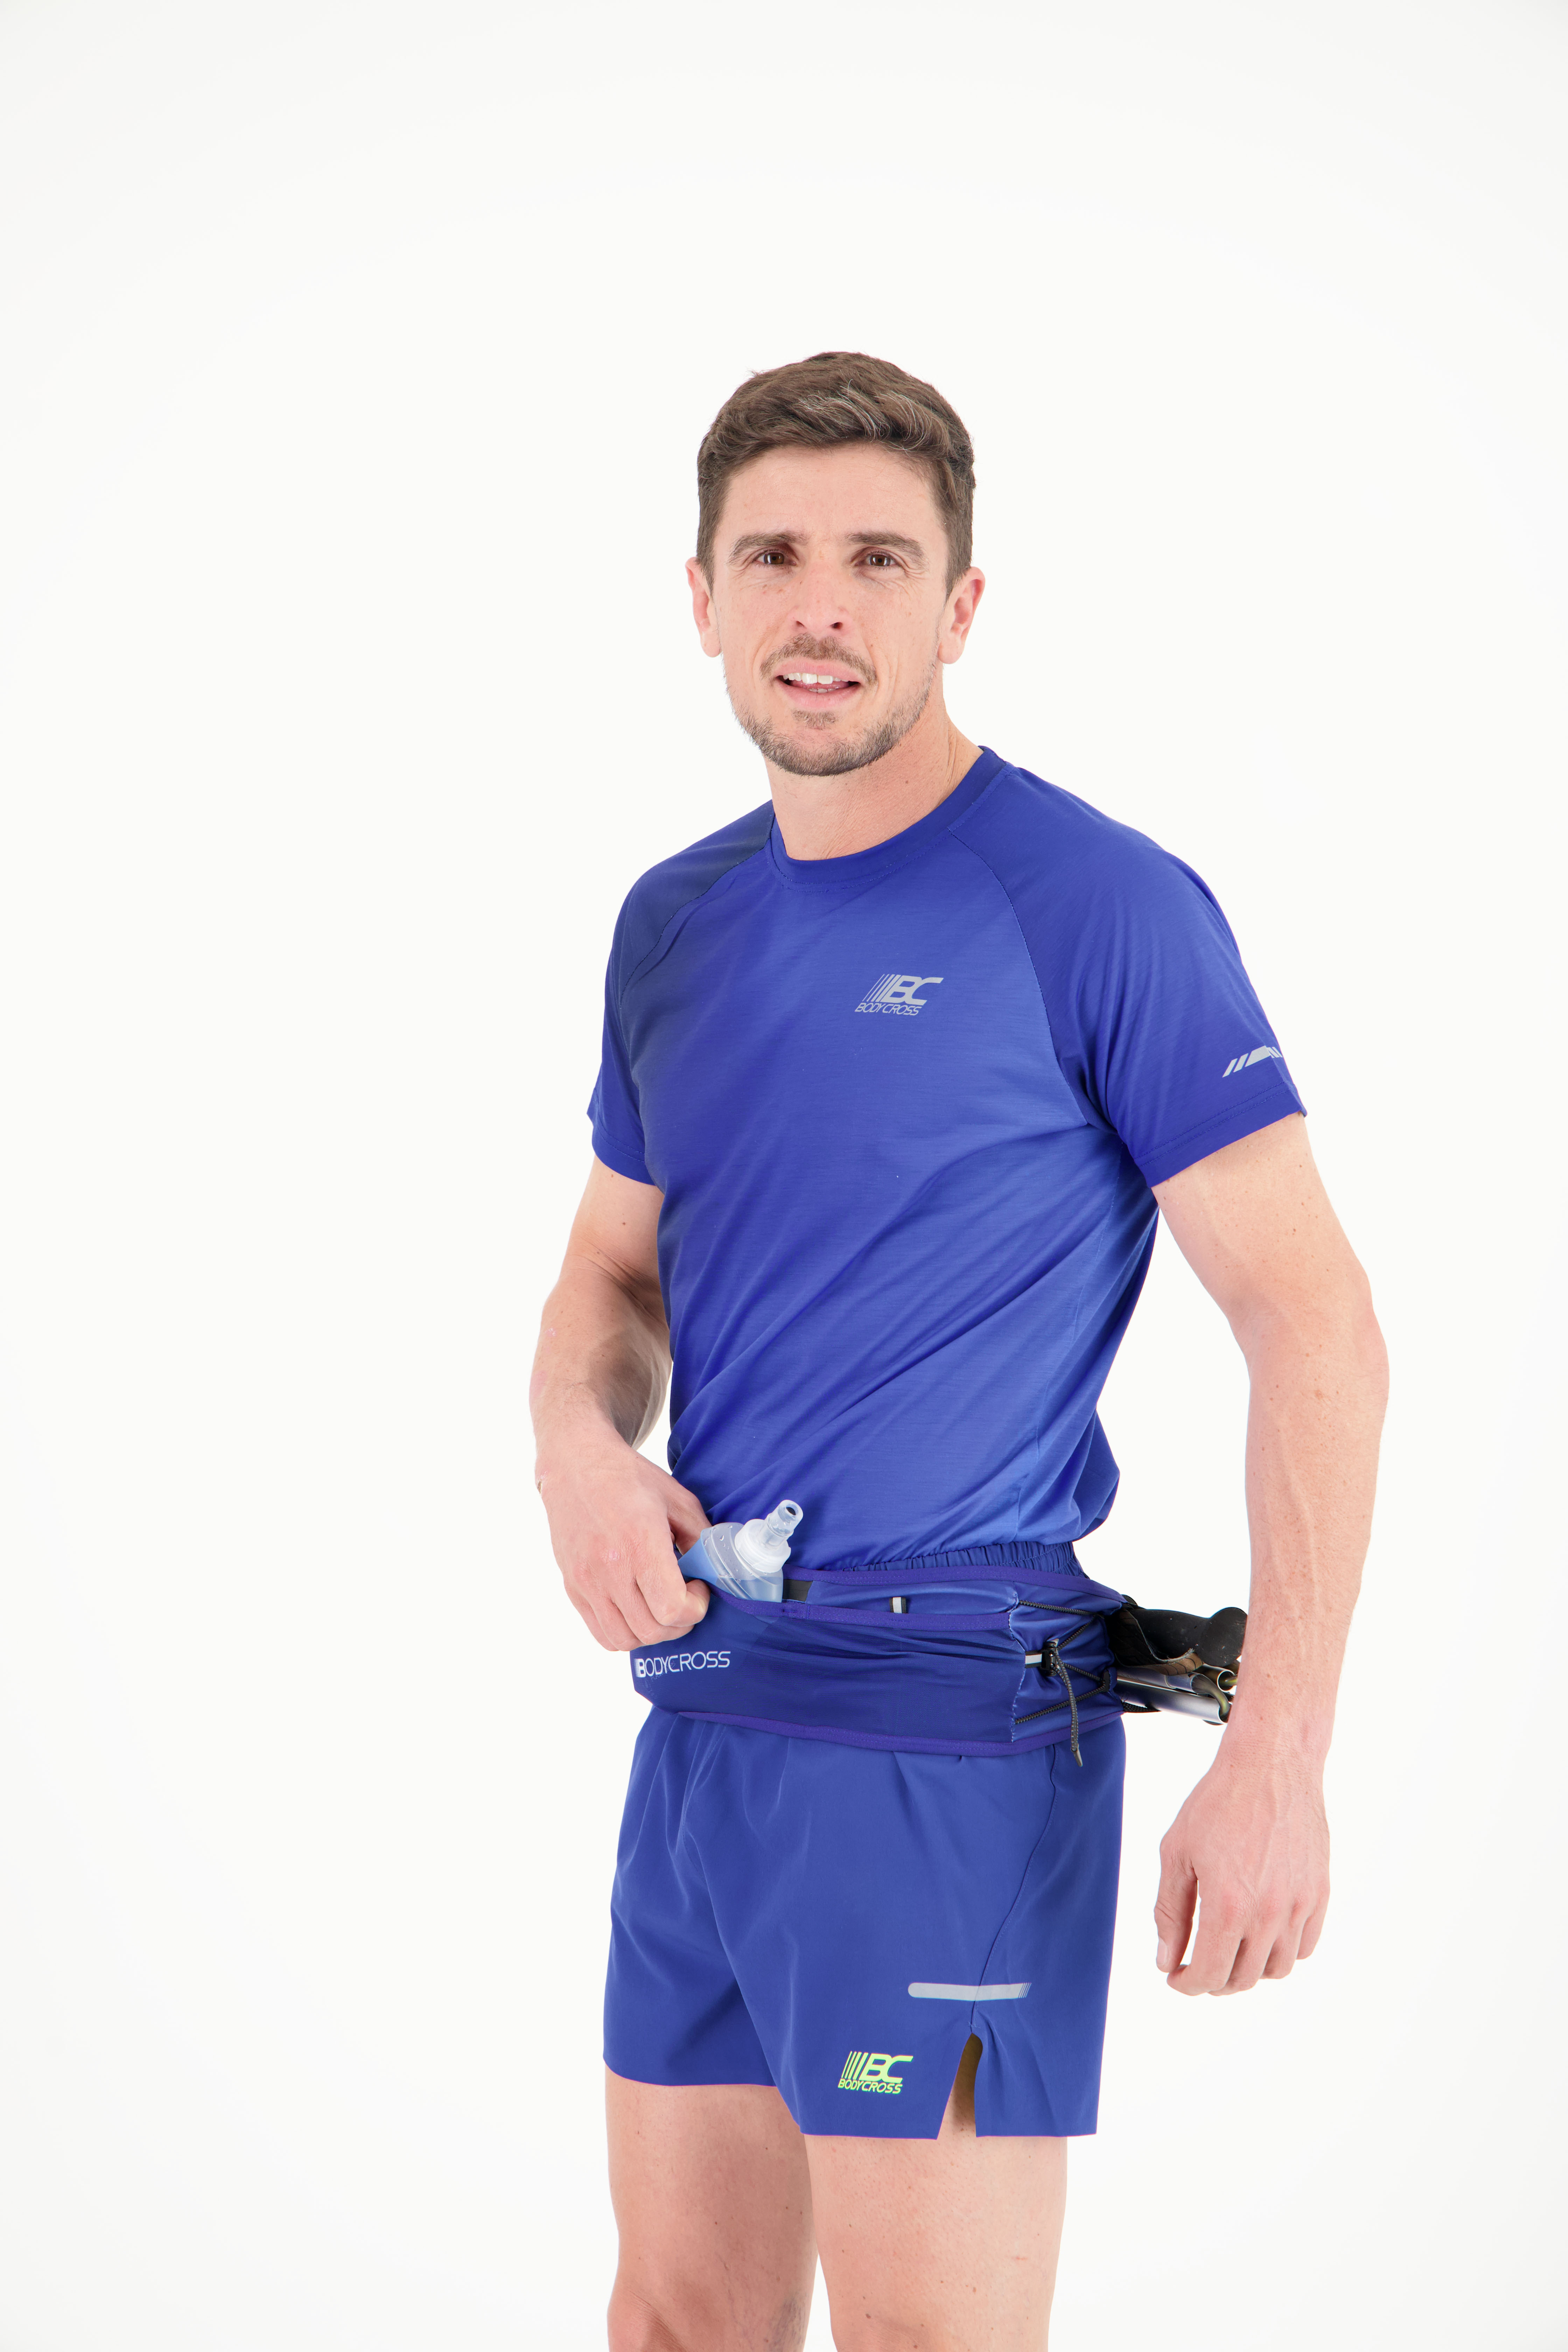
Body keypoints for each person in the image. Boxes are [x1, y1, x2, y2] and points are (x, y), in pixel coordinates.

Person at [530, 351, 1387, 2352]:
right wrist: (575, 1445)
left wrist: (1279, 1755)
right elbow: (609, 1281)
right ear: (702, 598)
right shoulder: (675, 922)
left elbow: (1317, 1322)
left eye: (879, 560)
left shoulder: (1094, 905)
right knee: (675, 2323)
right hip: (710, 1718)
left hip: (952, 1744)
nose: (820, 607)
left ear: (963, 603)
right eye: (774, 557)